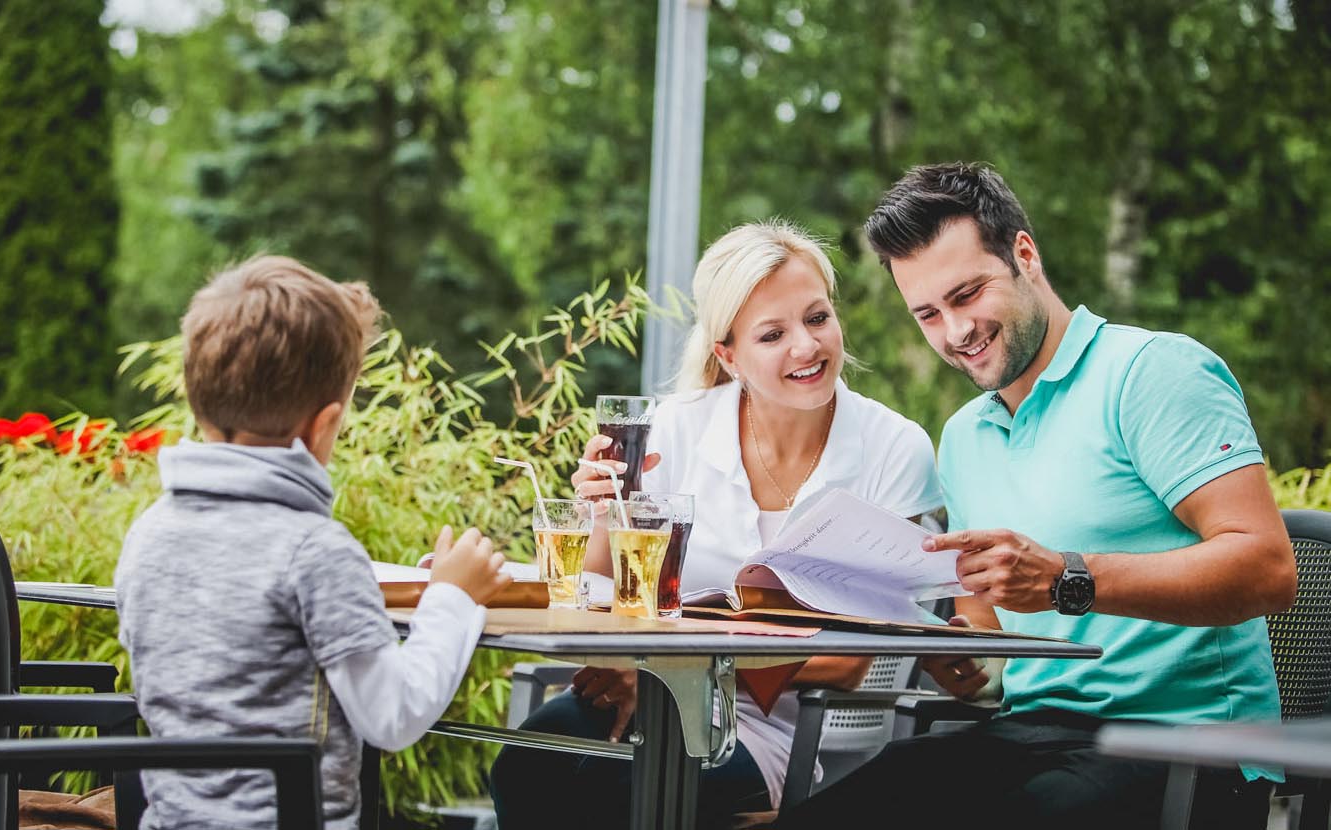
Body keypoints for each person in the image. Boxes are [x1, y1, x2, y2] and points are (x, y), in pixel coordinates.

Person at [776, 163, 1298, 830]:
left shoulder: (1154, 374)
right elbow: (990, 643)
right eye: (928, 314)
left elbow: (1268, 570)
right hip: (1029, 738)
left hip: (1187, 748)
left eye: (967, 295)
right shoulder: (964, 437)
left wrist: (1066, 578)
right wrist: (962, 660)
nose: (954, 332)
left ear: (1025, 254)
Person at [489, 221, 978, 829]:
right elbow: (601, 593)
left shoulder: (892, 447)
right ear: (728, 355)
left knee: (621, 791)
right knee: (528, 766)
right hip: (644, 692)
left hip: (786, 733)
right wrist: (599, 513)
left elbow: (852, 656)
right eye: (772, 334)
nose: (806, 346)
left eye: (817, 318)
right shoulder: (677, 427)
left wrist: (669, 674)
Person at [114, 256, 511, 829]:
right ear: (323, 426)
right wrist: (453, 598)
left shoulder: (149, 533)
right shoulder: (315, 550)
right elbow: (393, 716)